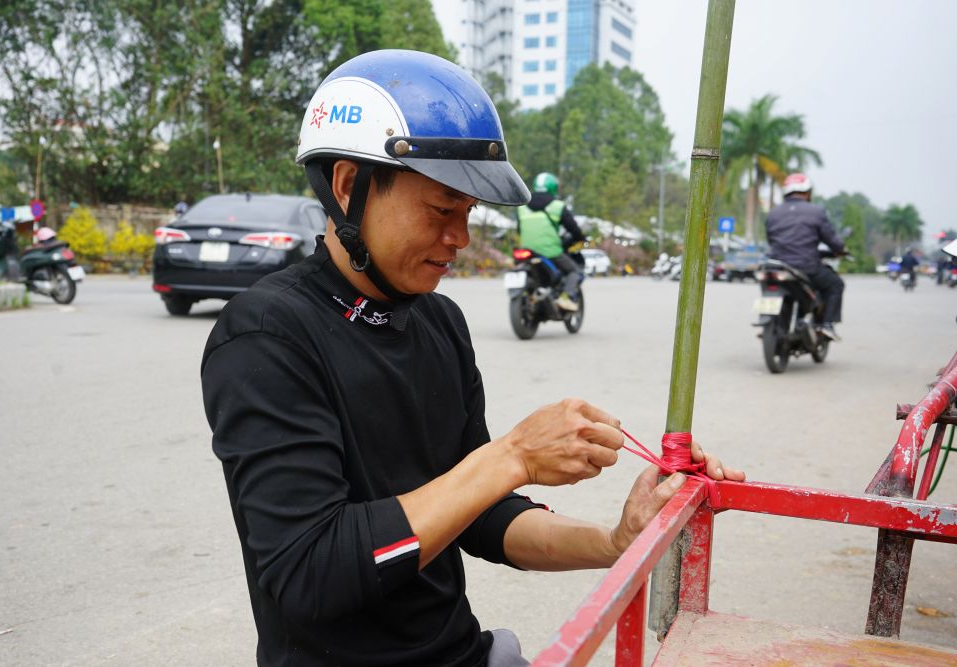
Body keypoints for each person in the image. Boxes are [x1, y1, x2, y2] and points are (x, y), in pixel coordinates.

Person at [201, 50, 743, 667]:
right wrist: (510, 457)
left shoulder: (439, 321)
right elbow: (310, 572)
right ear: (349, 186)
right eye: (440, 210)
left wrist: (616, 540)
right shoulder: (267, 336)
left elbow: (481, 516)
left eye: (468, 213)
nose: (459, 238)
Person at [765, 173, 846, 341]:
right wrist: (840, 249)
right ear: (807, 193)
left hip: (776, 266)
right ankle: (827, 325)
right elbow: (831, 239)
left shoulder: (773, 213)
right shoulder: (816, 211)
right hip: (806, 267)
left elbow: (770, 239)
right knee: (836, 284)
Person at [516, 172, 586, 311]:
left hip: (527, 251)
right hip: (550, 251)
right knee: (574, 271)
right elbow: (574, 229)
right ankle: (565, 297)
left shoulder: (522, 206)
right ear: (553, 187)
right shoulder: (557, 206)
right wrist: (580, 238)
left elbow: (519, 230)